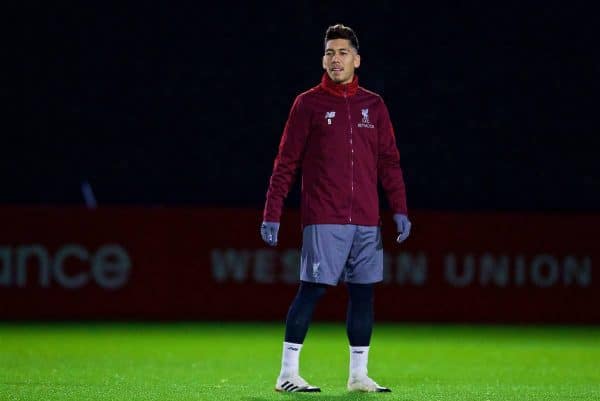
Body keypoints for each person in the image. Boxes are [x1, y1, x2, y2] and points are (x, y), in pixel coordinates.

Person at [260, 23, 411, 393]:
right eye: (329, 52)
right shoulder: (307, 103)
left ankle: (358, 376)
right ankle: (287, 373)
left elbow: (389, 162)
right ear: (323, 59)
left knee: (363, 294)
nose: (335, 59)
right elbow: (285, 162)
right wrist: (272, 212)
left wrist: (400, 208)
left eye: (343, 52)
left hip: (365, 219)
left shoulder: (373, 106)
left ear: (357, 60)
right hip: (324, 217)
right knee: (311, 289)